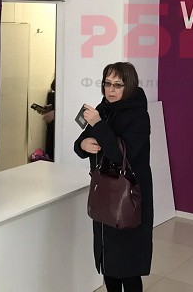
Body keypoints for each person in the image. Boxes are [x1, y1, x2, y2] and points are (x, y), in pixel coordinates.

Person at [73, 62, 153, 292]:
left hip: (129, 197)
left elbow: (120, 155)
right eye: (107, 84)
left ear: (129, 86)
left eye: (118, 85)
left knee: (128, 265)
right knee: (109, 263)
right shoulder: (104, 109)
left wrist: (98, 124)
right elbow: (81, 142)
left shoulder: (139, 116)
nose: (111, 90)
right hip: (105, 194)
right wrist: (83, 144)